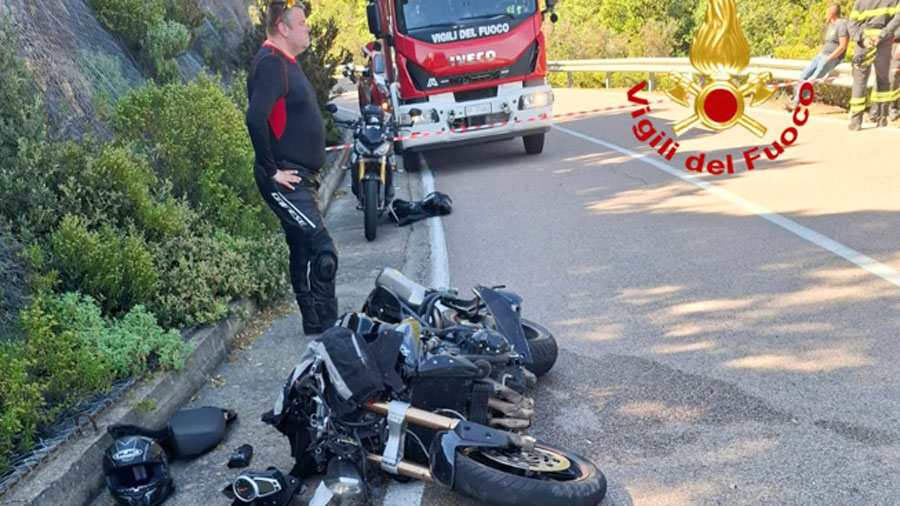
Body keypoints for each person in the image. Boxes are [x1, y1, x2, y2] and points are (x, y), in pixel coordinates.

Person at [246, 1, 339, 335]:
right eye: (301, 22)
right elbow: (255, 118)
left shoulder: (285, 62)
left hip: (300, 177)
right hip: (286, 178)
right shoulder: (272, 64)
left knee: (301, 246)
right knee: (324, 253)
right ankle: (330, 329)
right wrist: (272, 172)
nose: (308, 27)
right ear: (282, 28)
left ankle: (313, 322)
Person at [847, 0, 899, 130]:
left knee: (859, 80)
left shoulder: (860, 2)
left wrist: (862, 38)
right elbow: (897, 19)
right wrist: (882, 35)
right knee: (883, 80)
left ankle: (856, 121)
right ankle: (881, 118)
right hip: (883, 43)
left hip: (863, 45)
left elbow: (851, 23)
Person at [786, 3, 848, 111]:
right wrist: (820, 54)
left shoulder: (842, 25)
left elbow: (843, 46)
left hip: (831, 58)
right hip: (822, 55)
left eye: (827, 12)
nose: (825, 15)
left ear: (832, 13)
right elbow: (828, 43)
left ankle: (795, 102)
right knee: (804, 75)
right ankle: (796, 96)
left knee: (812, 79)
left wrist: (830, 58)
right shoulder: (830, 25)